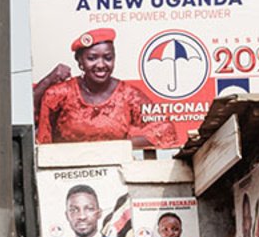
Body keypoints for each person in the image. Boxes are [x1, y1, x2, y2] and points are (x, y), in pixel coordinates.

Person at [33, 29, 177, 148]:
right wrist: (48, 80)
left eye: (108, 57)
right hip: (66, 174)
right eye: (92, 58)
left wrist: (120, 147)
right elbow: (37, 132)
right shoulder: (60, 94)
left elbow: (165, 129)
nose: (101, 65)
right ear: (80, 61)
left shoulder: (128, 95)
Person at [52, 184, 134, 237]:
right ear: (67, 215)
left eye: (89, 209)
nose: (82, 216)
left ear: (99, 213)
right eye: (74, 210)